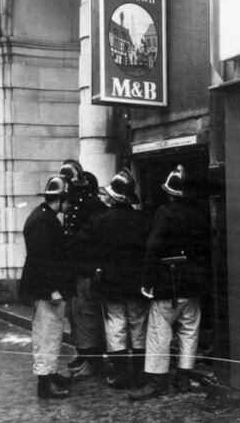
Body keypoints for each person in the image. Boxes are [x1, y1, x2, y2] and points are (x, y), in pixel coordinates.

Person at [129, 165, 213, 401]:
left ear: (169, 192)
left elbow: (153, 247)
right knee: (189, 330)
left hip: (169, 282)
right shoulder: (200, 212)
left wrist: (147, 281)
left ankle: (157, 381)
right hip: (194, 283)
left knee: (159, 332)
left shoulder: (164, 213)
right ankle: (184, 377)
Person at [69, 169, 152, 389]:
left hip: (110, 283)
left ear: (113, 196)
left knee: (115, 326)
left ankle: (120, 375)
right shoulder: (144, 220)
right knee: (138, 326)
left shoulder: (99, 221)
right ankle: (141, 374)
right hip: (137, 284)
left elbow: (77, 245)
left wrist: (96, 262)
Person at [17, 175, 74, 399]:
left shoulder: (44, 216)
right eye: (67, 200)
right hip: (46, 290)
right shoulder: (43, 221)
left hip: (45, 288)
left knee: (51, 332)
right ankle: (45, 384)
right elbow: (42, 259)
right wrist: (52, 289)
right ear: (59, 199)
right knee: (47, 333)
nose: (69, 206)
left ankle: (50, 375)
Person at [60, 161, 108, 378]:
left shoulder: (93, 207)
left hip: (87, 269)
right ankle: (83, 353)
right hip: (74, 268)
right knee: (75, 314)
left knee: (87, 315)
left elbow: (89, 238)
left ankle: (93, 360)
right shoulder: (75, 205)